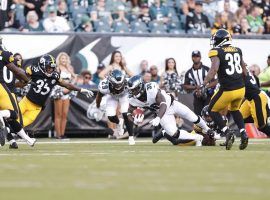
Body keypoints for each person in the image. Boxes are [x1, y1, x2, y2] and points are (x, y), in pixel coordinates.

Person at [126, 75, 216, 146]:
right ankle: (197, 137)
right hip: (163, 114)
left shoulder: (151, 88)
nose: (132, 92)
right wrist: (134, 121)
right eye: (131, 90)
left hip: (172, 105)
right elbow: (129, 112)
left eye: (133, 90)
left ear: (140, 87)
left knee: (193, 118)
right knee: (174, 133)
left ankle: (208, 130)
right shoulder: (133, 99)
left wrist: (158, 118)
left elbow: (163, 104)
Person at [202, 29, 248, 150]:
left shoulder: (216, 51)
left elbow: (214, 69)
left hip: (228, 89)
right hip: (241, 88)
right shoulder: (238, 50)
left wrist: (204, 83)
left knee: (212, 110)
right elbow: (245, 70)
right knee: (235, 109)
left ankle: (227, 132)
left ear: (221, 40)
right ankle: (243, 133)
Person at [18, 54, 93, 129]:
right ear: (42, 65)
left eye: (52, 68)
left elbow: (67, 85)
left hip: (38, 106)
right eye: (49, 67)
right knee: (13, 115)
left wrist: (81, 89)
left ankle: (10, 131)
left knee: (22, 123)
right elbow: (21, 79)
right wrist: (22, 82)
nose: (51, 70)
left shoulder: (55, 76)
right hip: (26, 100)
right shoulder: (33, 70)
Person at [0, 36, 36, 147]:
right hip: (4, 88)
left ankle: (25, 140)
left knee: (9, 119)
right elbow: (17, 71)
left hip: (6, 87)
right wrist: (28, 80)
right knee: (14, 114)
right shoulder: (5, 54)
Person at [96, 69, 135, 145]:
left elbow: (135, 93)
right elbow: (99, 96)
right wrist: (97, 105)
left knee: (125, 113)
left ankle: (131, 137)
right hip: (112, 97)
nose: (119, 87)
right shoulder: (104, 86)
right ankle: (119, 122)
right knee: (110, 116)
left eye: (120, 84)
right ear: (110, 82)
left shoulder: (128, 82)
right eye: (116, 85)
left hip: (124, 96)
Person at [183, 50, 217, 115]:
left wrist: (204, 87)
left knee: (208, 113)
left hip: (209, 94)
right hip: (197, 95)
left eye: (197, 56)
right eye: (194, 56)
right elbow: (185, 86)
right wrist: (196, 87)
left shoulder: (207, 69)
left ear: (200, 57)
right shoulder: (189, 72)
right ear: (192, 58)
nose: (195, 58)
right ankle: (199, 125)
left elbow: (215, 81)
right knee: (197, 114)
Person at [52, 52, 77, 139]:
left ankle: (62, 134)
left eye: (65, 58)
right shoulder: (57, 68)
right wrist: (62, 89)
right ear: (59, 60)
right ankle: (58, 134)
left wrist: (70, 87)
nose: (64, 60)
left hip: (67, 92)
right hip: (59, 91)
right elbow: (55, 80)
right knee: (58, 114)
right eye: (62, 58)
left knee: (64, 114)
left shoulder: (70, 68)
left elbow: (75, 78)